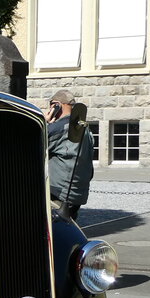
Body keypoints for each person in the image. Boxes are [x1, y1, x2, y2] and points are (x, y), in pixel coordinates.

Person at [46, 89, 94, 221]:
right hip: (78, 193)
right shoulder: (85, 129)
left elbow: (33, 148)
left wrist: (45, 123)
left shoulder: (58, 128)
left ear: (56, 105)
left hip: (58, 192)